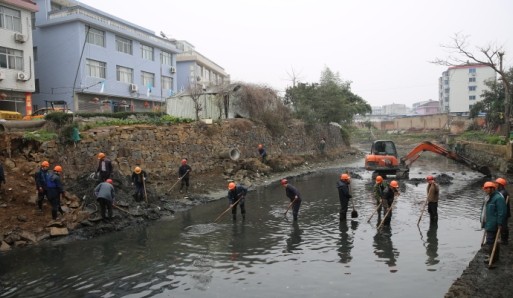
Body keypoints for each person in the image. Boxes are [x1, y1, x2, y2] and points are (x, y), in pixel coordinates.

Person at [480, 181, 506, 264]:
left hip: (494, 223)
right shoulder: (488, 197)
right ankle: (493, 255)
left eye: (487, 188)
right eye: (485, 188)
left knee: (491, 240)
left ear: (492, 189)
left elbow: (501, 212)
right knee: (492, 240)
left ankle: (493, 258)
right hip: (489, 222)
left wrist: (499, 223)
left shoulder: (498, 198)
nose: (486, 190)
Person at [495, 178, 510, 245]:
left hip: (504, 212)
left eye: (497, 183)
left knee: (503, 226)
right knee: (503, 226)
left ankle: (504, 240)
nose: (496, 184)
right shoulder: (500, 191)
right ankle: (503, 239)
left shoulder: (503, 193)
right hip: (504, 212)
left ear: (500, 184)